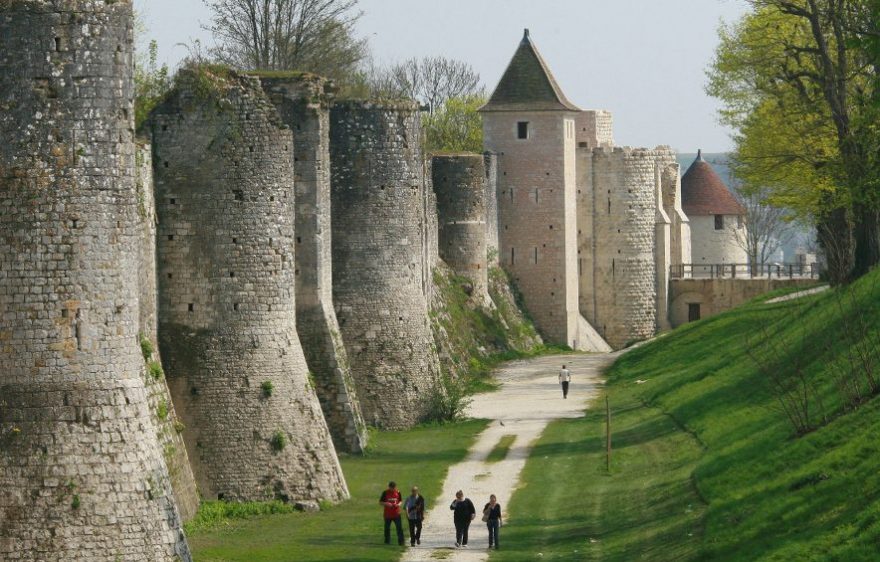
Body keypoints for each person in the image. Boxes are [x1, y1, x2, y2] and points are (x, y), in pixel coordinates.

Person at [379, 481, 404, 546]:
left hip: (396, 514)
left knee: (399, 528)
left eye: (394, 488)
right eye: (391, 488)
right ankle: (387, 541)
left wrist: (398, 504)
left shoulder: (398, 492)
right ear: (389, 487)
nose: (393, 489)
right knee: (387, 528)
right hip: (387, 515)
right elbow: (380, 502)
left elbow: (401, 501)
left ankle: (401, 542)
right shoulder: (385, 493)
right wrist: (387, 504)